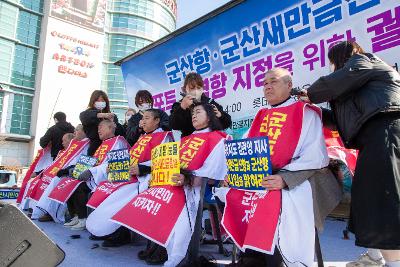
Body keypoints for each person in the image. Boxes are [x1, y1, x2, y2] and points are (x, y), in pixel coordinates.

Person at [221, 68, 341, 267]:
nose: (267, 86)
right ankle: (251, 256)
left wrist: (286, 179)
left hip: (300, 177)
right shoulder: (260, 115)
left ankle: (279, 260)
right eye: (264, 83)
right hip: (263, 177)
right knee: (233, 193)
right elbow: (245, 149)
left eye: (273, 81)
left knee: (274, 197)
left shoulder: (305, 112)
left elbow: (316, 157)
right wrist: (235, 174)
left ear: (289, 85)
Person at [306, 41, 400, 267]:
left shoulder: (363, 61)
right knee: (369, 199)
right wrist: (314, 110)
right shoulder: (357, 85)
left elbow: (324, 88)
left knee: (383, 200)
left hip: (386, 131)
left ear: (342, 58)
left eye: (331, 62)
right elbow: (341, 122)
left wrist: (309, 94)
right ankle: (375, 256)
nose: (330, 68)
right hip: (374, 139)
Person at [86, 109, 173, 250]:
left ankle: (120, 233)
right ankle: (109, 230)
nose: (143, 121)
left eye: (147, 118)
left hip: (146, 179)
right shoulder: (142, 137)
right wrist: (114, 166)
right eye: (142, 118)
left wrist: (143, 169)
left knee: (120, 195)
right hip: (129, 176)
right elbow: (130, 159)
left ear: (157, 120)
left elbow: (166, 163)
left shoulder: (165, 137)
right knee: (105, 188)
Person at [163, 103, 228, 266]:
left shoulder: (219, 138)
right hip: (176, 184)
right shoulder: (184, 140)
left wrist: (188, 180)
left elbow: (214, 173)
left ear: (210, 116)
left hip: (198, 188)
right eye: (192, 113)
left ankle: (179, 256)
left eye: (198, 112)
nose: (193, 115)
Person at [65, 119, 129, 231]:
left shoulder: (118, 142)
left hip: (108, 178)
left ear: (110, 128)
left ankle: (83, 219)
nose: (98, 130)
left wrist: (92, 172)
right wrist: (78, 169)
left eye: (101, 127)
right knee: (70, 183)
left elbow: (115, 165)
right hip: (95, 175)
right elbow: (94, 161)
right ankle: (77, 216)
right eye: (98, 128)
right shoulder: (103, 143)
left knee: (79, 187)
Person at [169, 72, 232, 137]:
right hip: (190, 142)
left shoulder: (210, 102)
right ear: (185, 89)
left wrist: (220, 116)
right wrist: (182, 108)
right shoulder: (179, 105)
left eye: (198, 88)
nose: (196, 91)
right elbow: (174, 126)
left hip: (210, 140)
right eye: (192, 88)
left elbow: (227, 123)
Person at [80, 90, 125, 156]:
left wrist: (114, 123)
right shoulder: (88, 114)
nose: (100, 102)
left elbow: (121, 133)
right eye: (98, 101)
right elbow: (84, 116)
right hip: (95, 148)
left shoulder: (111, 115)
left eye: (103, 101)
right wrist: (100, 115)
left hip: (111, 147)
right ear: (93, 101)